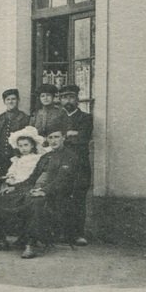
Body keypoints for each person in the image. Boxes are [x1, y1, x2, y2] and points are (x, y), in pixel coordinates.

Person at [0, 125, 80, 258]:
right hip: (34, 190)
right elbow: (32, 178)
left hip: (58, 195)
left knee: (35, 202)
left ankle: (30, 244)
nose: (53, 140)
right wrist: (15, 187)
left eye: (57, 137)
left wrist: (44, 191)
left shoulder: (69, 156)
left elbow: (62, 180)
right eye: (50, 137)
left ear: (63, 138)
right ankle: (0, 239)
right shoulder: (45, 156)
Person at [59, 84, 93, 246]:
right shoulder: (57, 118)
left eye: (71, 97)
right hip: (61, 164)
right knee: (61, 197)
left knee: (78, 199)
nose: (68, 101)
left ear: (77, 99)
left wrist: (64, 137)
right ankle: (62, 233)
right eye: (65, 97)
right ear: (60, 100)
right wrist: (70, 135)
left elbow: (83, 139)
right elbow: (51, 140)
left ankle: (78, 234)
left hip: (80, 165)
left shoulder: (86, 118)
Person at [0, 89, 31, 178]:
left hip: (16, 159)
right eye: (8, 99)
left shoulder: (25, 118)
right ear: (4, 102)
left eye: (13, 99)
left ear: (18, 100)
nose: (11, 101)